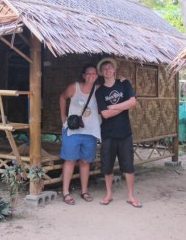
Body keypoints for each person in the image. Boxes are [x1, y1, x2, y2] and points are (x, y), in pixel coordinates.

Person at [95, 57, 142, 208]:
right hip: (108, 134)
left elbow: (133, 102)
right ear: (101, 73)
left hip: (125, 133)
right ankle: (108, 194)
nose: (108, 70)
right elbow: (105, 114)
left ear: (114, 70)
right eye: (104, 69)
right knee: (107, 166)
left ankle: (131, 196)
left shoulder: (124, 83)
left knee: (128, 166)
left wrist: (113, 107)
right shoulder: (100, 91)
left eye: (110, 67)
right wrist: (124, 106)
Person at [59, 64, 101, 205]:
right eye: (88, 73)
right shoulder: (75, 87)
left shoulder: (99, 90)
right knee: (70, 160)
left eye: (94, 73)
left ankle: (84, 191)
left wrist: (122, 80)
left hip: (90, 132)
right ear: (83, 75)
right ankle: (66, 192)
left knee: (85, 161)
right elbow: (62, 97)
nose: (91, 76)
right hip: (73, 131)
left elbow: (113, 86)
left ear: (97, 75)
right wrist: (63, 117)